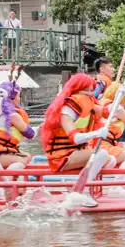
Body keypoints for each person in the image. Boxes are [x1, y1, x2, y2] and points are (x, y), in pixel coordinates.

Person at [41, 73, 113, 207]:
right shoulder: (67, 110)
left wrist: (118, 97)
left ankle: (86, 188)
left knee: (111, 160)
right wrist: (96, 133)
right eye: (86, 90)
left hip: (75, 153)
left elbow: (107, 111)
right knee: (101, 154)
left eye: (92, 90)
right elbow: (75, 138)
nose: (90, 94)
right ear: (75, 89)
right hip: (62, 157)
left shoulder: (87, 104)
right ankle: (81, 191)